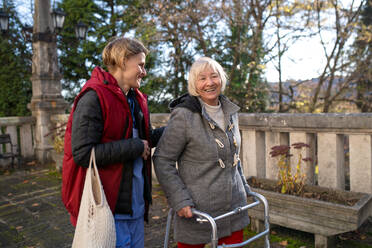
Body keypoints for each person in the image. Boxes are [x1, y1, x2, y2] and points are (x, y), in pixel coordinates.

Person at [62, 37, 164, 248]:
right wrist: (135, 147)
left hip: (134, 206)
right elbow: (82, 153)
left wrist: (177, 128)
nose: (144, 72)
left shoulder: (135, 98)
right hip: (108, 208)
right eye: (141, 65)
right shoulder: (93, 97)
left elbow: (144, 138)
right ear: (123, 61)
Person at [153, 57, 251, 248]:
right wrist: (180, 200)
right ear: (194, 84)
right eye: (202, 78)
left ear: (221, 79)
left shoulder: (230, 111)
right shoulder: (184, 115)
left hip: (233, 207)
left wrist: (245, 188)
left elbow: (234, 157)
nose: (209, 83)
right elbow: (162, 160)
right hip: (197, 211)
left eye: (214, 76)